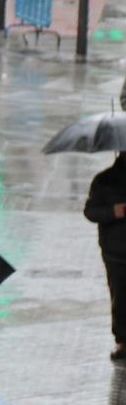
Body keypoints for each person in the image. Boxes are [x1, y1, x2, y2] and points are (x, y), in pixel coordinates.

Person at [84, 152, 126, 359]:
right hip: (116, 252)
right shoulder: (105, 180)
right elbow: (90, 211)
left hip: (114, 249)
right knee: (120, 296)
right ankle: (123, 341)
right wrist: (113, 212)